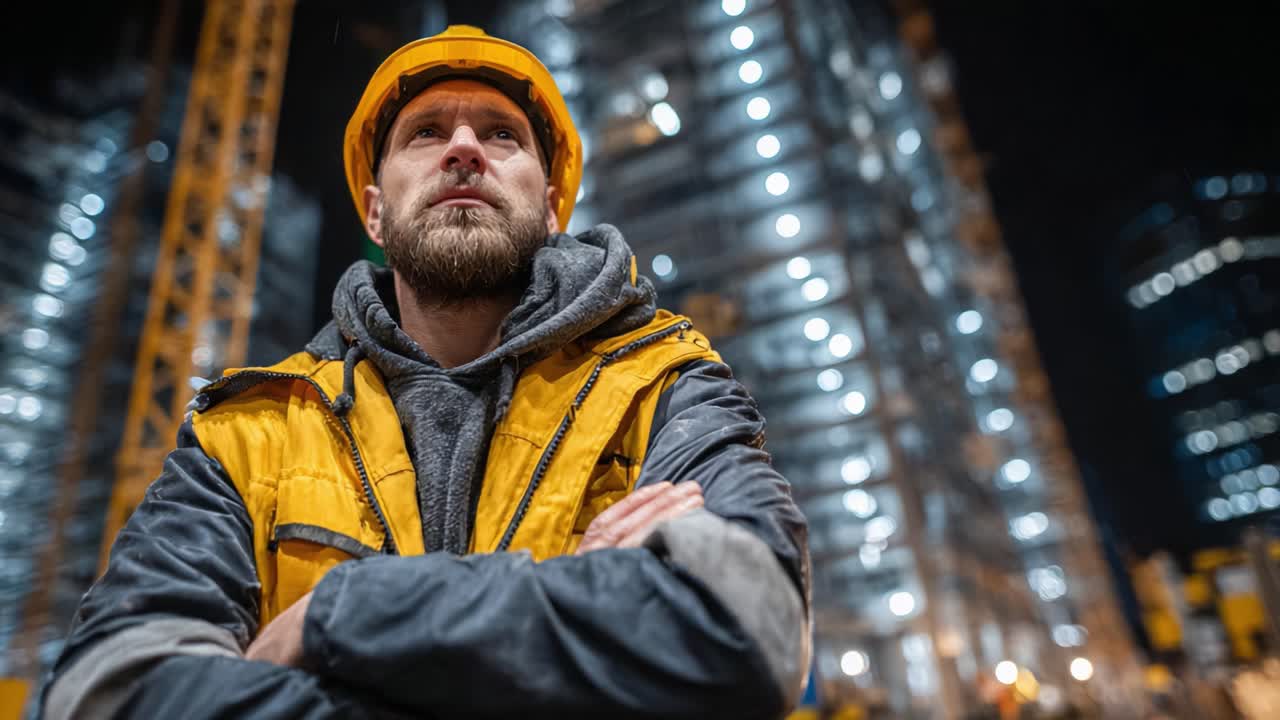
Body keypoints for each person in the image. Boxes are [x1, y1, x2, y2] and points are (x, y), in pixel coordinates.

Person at [43, 25, 811, 719]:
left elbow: (746, 625)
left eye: (502, 133)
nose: (464, 148)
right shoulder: (248, 433)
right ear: (375, 213)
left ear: (550, 208)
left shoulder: (664, 382)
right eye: (426, 133)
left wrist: (336, 616)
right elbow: (110, 689)